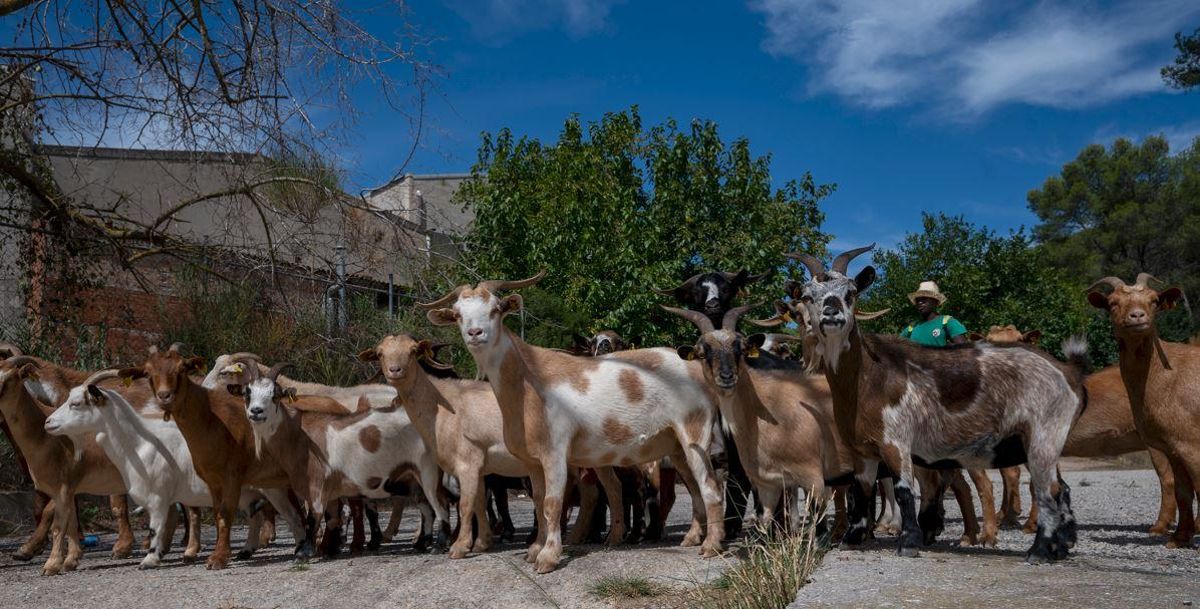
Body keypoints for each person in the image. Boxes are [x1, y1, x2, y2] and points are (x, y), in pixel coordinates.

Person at [900, 281, 967, 346]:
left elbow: (963, 351)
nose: (920, 303)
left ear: (935, 302)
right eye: (918, 300)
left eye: (924, 299)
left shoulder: (948, 322)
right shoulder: (912, 328)